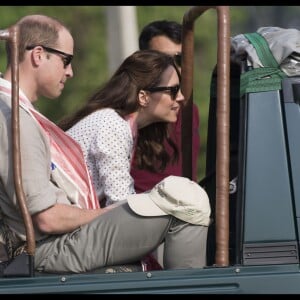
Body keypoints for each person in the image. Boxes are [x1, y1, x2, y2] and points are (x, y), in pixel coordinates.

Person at [0, 14, 209, 274]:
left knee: (182, 198)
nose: (70, 71)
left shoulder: (19, 114)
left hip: (56, 241)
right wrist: (108, 214)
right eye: (67, 60)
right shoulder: (15, 118)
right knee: (187, 199)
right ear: (39, 55)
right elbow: (47, 218)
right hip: (48, 249)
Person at [59, 49, 183, 208]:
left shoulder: (124, 126)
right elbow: (121, 202)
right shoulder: (113, 124)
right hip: (60, 225)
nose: (181, 97)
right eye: (173, 91)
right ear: (143, 97)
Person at [130, 20, 201, 193]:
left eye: (180, 59)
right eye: (163, 60)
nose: (174, 68)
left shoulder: (189, 111)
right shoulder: (125, 112)